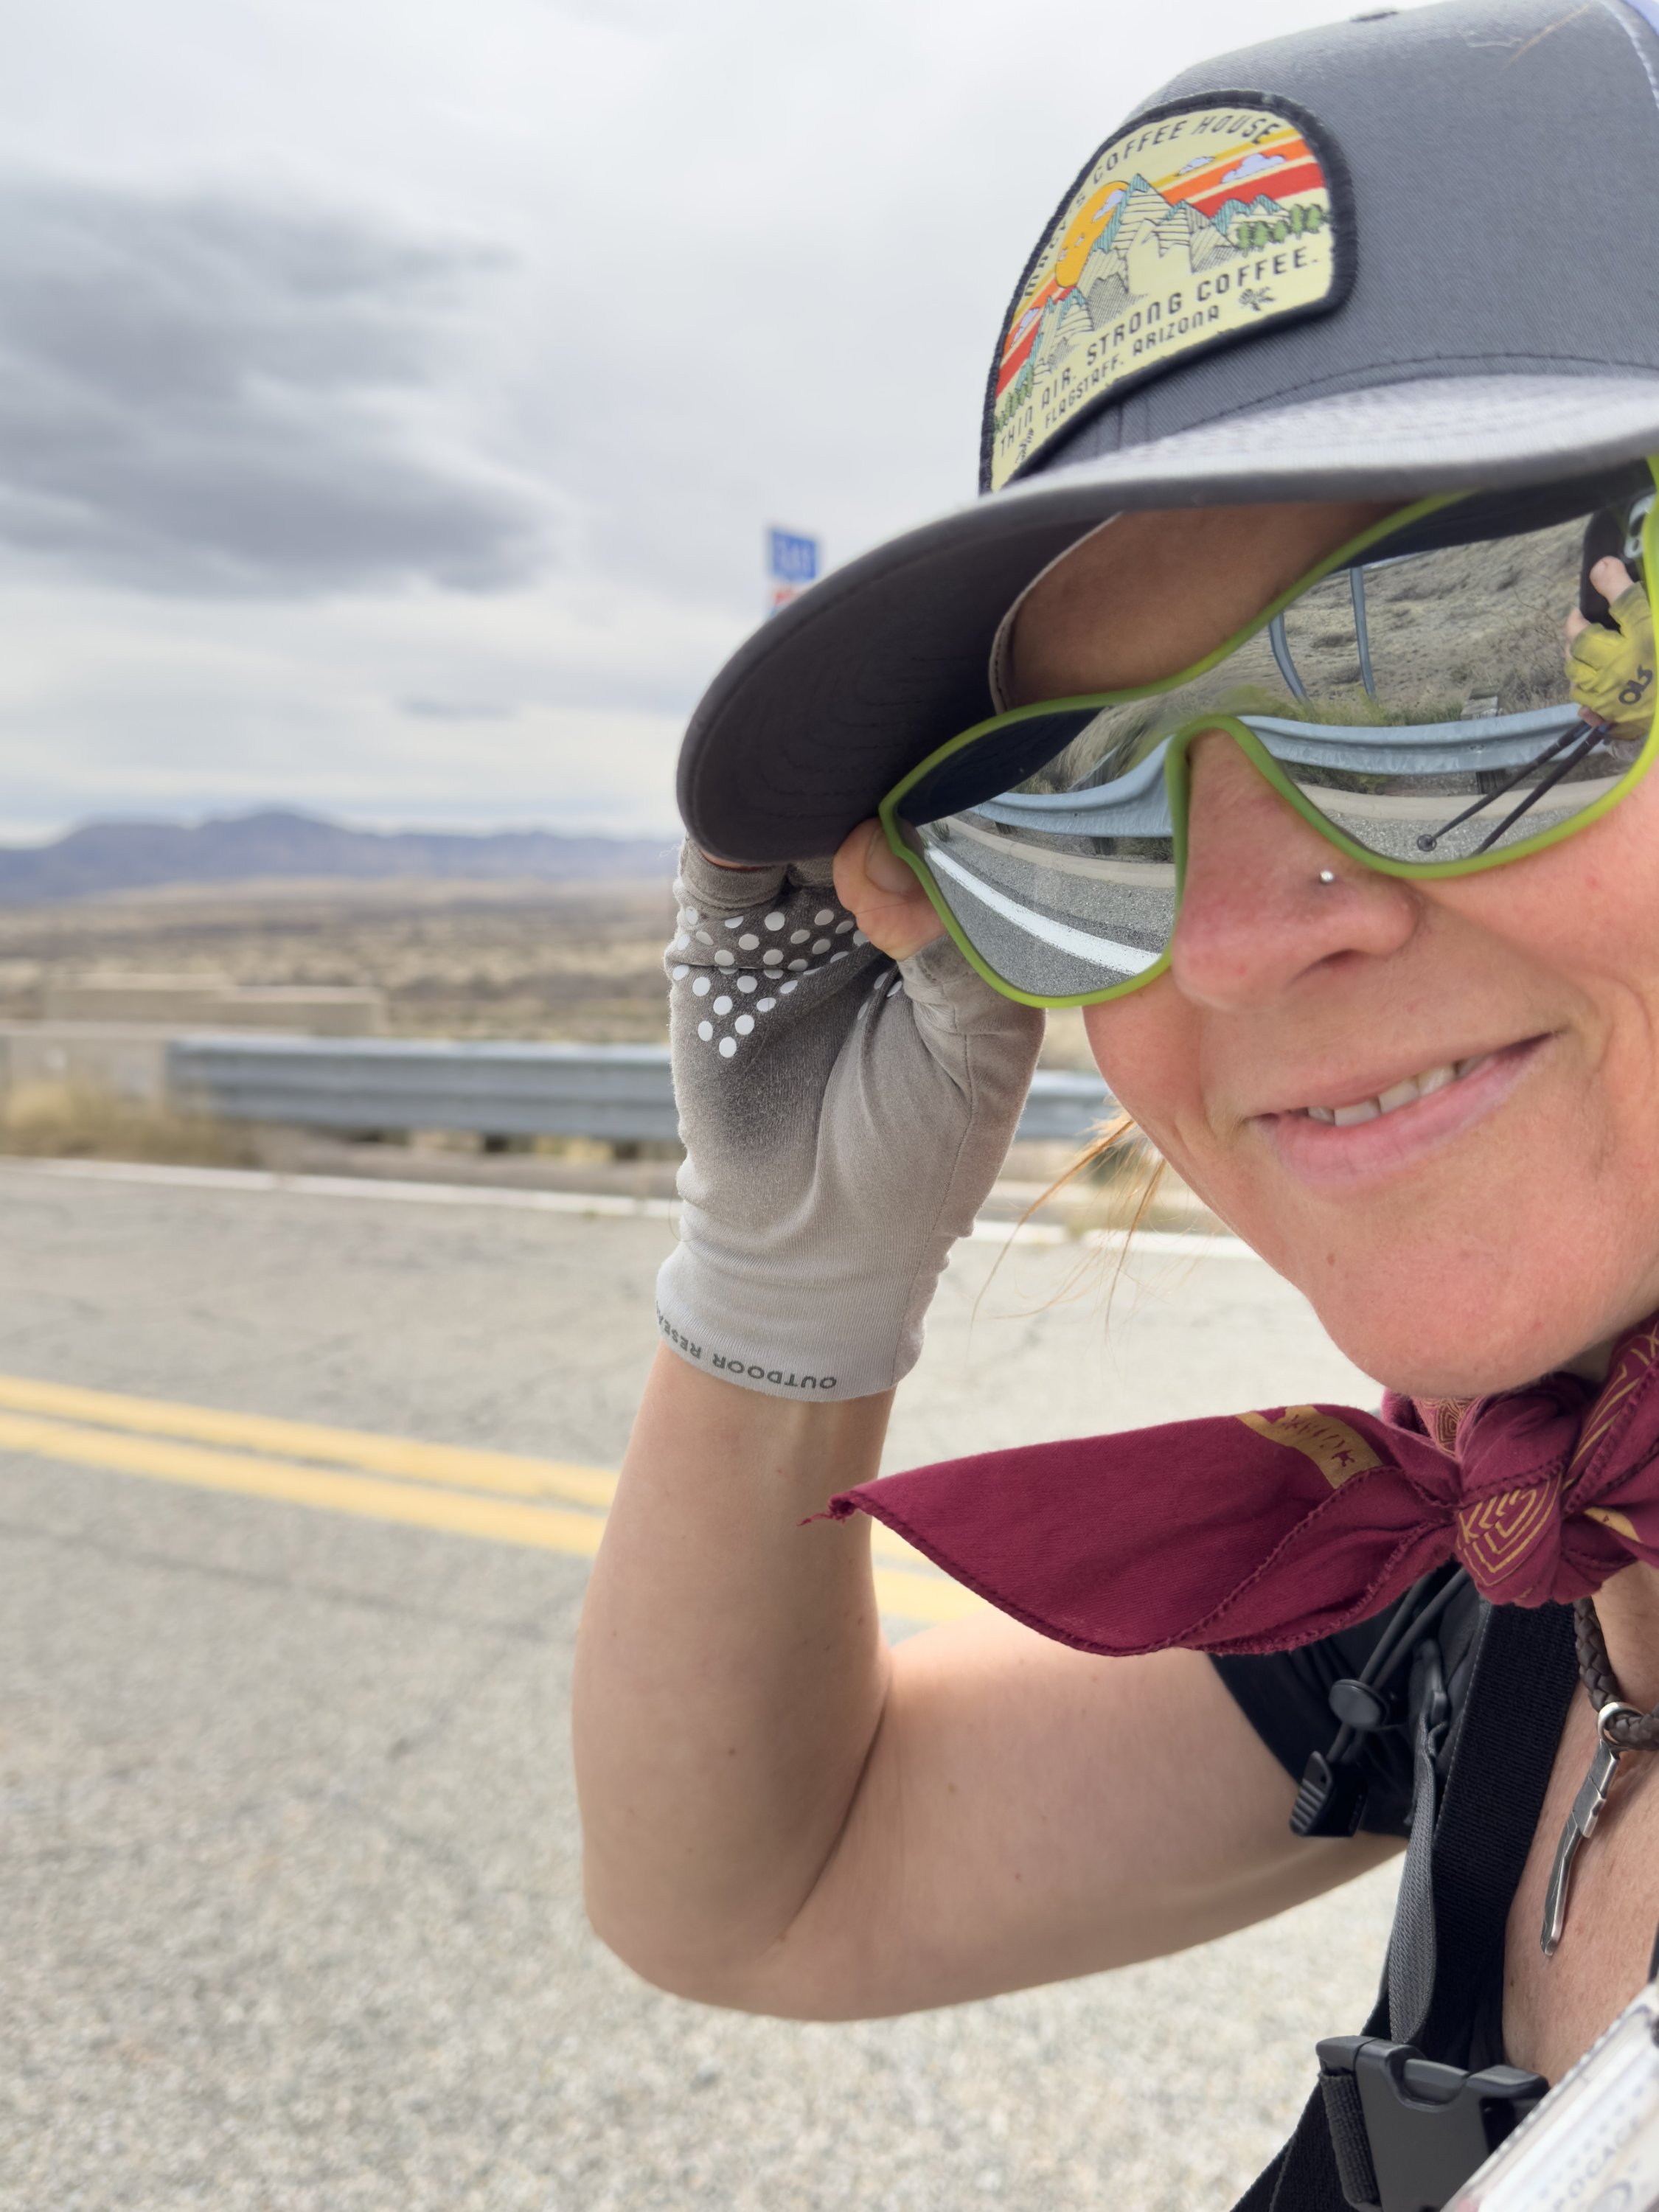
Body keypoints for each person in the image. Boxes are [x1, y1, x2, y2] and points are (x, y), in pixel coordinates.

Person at [571, 4, 1659, 2205]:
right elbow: (767, 1886)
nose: (1229, 935)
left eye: (1472, 661)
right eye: (1070, 797)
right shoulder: (1511, 1575)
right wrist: (790, 1284)